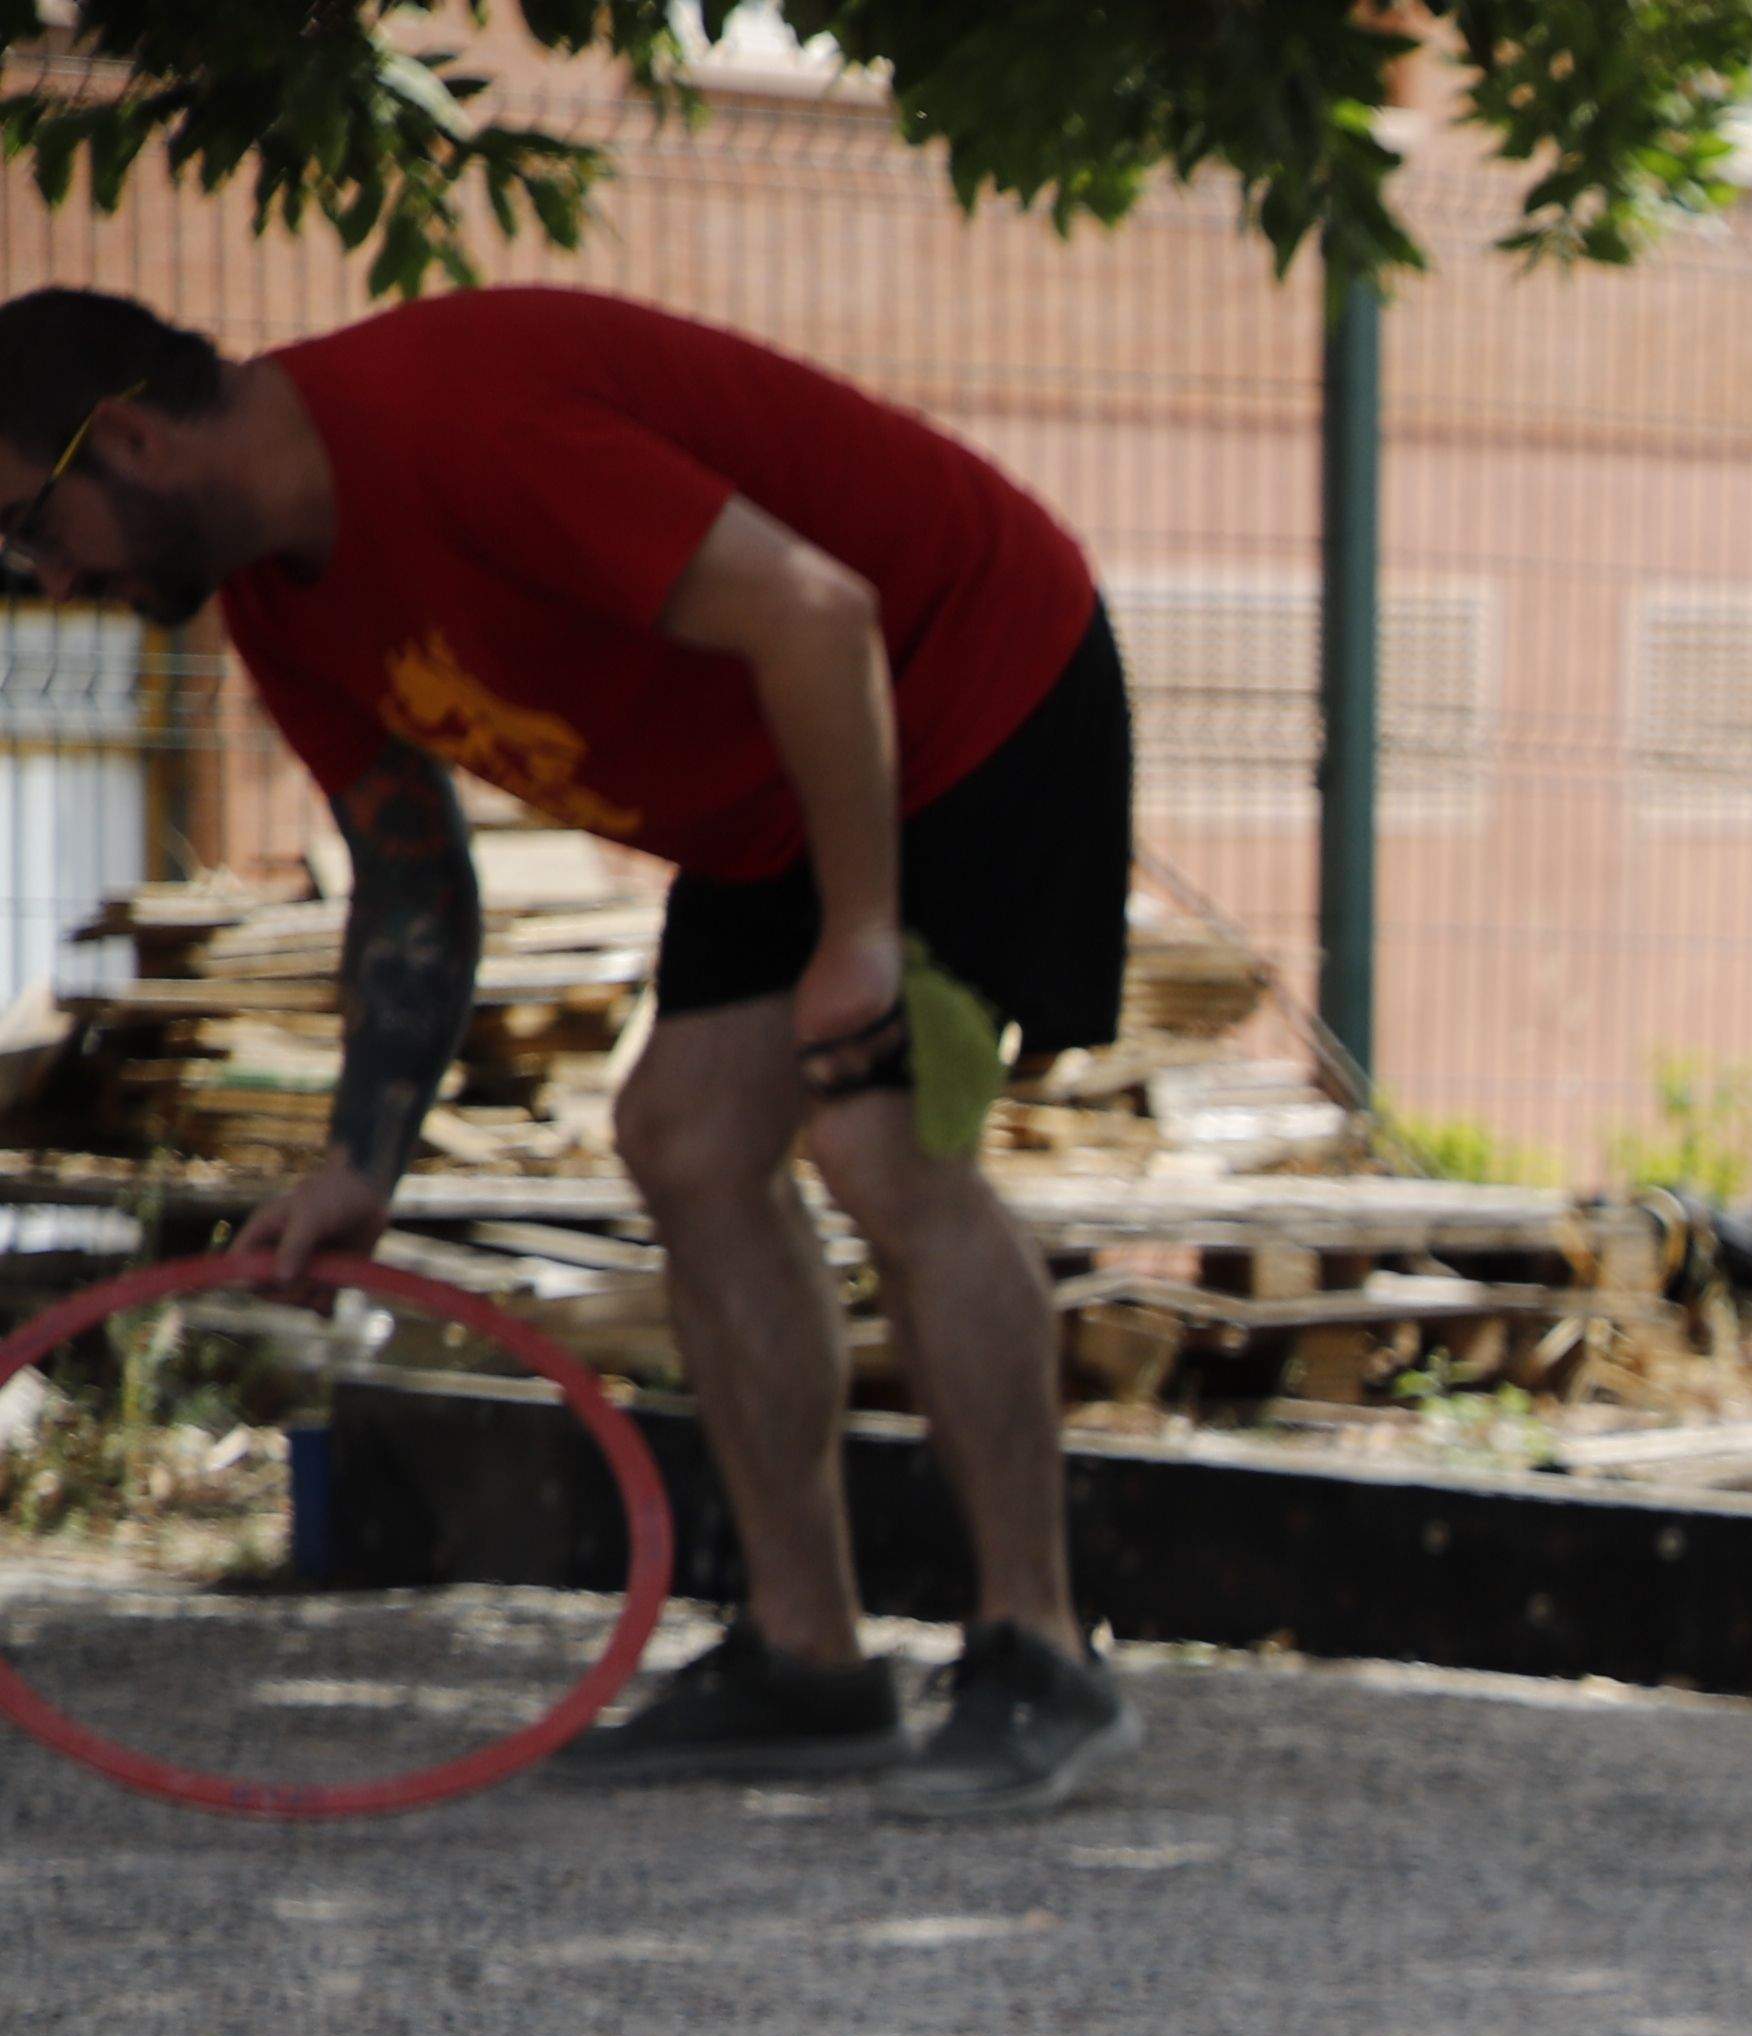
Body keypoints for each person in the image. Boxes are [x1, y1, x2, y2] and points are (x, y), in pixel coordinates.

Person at [0, 282, 1141, 1817]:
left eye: (30, 527)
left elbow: (819, 611)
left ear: (130, 438)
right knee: (686, 1137)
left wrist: (863, 935)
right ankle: (810, 1664)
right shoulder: (281, 596)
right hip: (772, 783)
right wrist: (362, 1163)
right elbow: (411, 875)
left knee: (879, 1141)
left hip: (966, 683)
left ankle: (1040, 1652)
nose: (47, 578)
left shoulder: (451, 428)